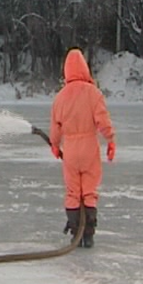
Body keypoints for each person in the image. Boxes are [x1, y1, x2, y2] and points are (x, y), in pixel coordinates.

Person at [49, 48, 116, 248]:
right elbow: (102, 121)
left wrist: (55, 145)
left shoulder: (60, 97)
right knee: (88, 191)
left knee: (72, 192)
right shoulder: (93, 93)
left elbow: (55, 127)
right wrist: (110, 140)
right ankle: (88, 233)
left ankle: (75, 231)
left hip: (69, 149)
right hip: (89, 146)